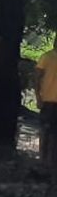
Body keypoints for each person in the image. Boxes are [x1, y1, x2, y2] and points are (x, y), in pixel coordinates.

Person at [38, 38, 57, 167]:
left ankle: (51, 160)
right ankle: (42, 159)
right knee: (45, 130)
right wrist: (38, 97)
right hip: (48, 100)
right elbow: (37, 77)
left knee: (54, 133)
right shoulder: (46, 57)